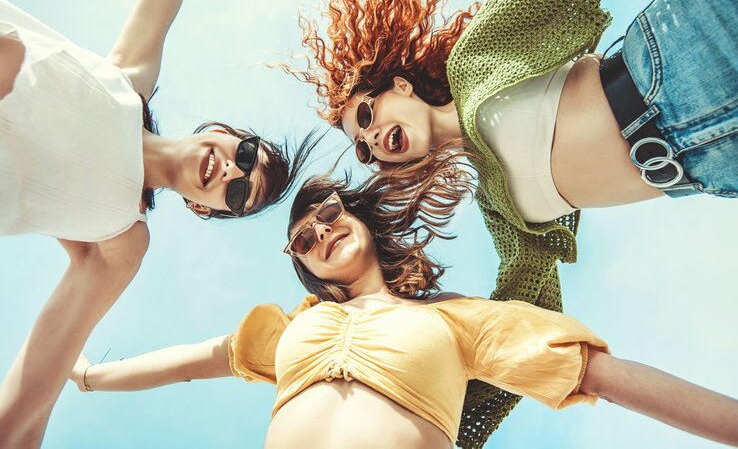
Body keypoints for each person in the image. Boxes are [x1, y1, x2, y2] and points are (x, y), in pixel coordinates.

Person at [285, 0, 737, 438]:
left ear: (399, 86)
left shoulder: (477, 59)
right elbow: (514, 332)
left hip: (691, 49)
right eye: (365, 149)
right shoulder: (501, 211)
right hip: (711, 164)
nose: (374, 138)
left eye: (366, 114)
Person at [68, 168, 738, 448]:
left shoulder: (455, 320)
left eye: (328, 216)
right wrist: (92, 376)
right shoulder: (296, 328)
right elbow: (195, 363)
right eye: (305, 239)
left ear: (358, 219)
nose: (321, 232)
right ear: (304, 265)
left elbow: (599, 376)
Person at [0, 0, 317, 445]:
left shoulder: (121, 238)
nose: (232, 174)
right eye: (246, 156)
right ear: (223, 130)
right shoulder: (126, 81)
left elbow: (39, 382)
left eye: (239, 196)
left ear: (205, 209)